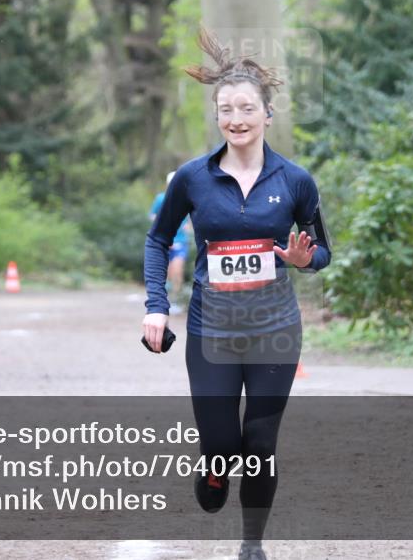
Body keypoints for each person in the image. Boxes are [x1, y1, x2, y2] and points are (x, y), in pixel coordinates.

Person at [142, 30, 331, 560]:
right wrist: (156, 307)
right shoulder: (192, 179)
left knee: (262, 445)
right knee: (224, 447)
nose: (236, 118)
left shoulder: (296, 181)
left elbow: (321, 253)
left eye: (247, 108)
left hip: (275, 329)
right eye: (226, 109)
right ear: (218, 116)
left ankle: (252, 544)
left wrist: (302, 258)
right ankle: (214, 465)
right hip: (212, 330)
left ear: (267, 114)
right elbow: (159, 240)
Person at [149, 171, 192, 314]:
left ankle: (177, 301)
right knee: (166, 273)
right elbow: (152, 216)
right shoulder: (161, 199)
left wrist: (190, 227)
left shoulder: (188, 197)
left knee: (177, 271)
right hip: (167, 241)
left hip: (181, 242)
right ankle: (164, 302)